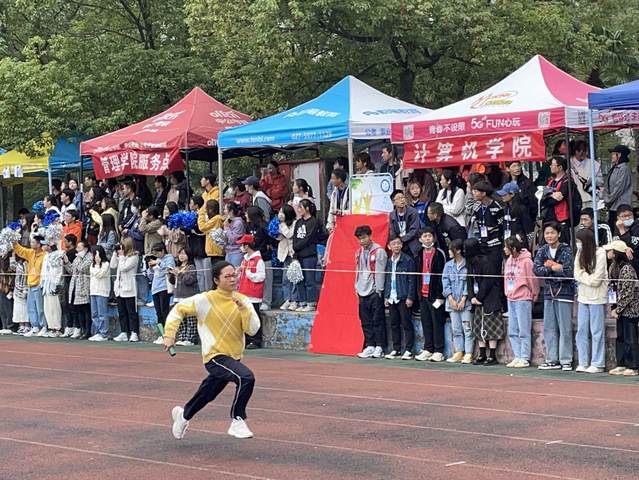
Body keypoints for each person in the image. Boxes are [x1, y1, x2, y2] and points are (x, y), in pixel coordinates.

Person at [164, 261, 260, 440]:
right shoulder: (205, 300)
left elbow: (252, 330)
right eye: (227, 276)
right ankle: (237, 419)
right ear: (216, 280)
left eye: (234, 275)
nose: (233, 279)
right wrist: (170, 334)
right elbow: (178, 310)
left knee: (207, 393)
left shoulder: (243, 300)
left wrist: (243, 309)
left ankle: (183, 416)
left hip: (233, 357)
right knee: (246, 377)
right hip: (214, 356)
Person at [533, 221, 575, 371]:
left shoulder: (566, 250)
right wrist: (553, 267)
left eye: (552, 232)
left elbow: (568, 272)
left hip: (565, 292)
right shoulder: (542, 250)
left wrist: (548, 269)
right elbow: (536, 270)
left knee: (565, 327)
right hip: (548, 293)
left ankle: (566, 360)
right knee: (549, 327)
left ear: (558, 234)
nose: (549, 236)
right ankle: (552, 359)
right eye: (547, 233)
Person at [573, 228, 608, 373]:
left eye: (579, 241)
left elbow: (596, 280)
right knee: (581, 330)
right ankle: (583, 361)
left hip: (597, 298)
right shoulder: (579, 253)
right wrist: (586, 278)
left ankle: (598, 363)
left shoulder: (601, 254)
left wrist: (584, 278)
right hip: (583, 297)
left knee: (597, 331)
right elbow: (576, 273)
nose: (578, 244)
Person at [465, 237, 505, 366]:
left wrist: (479, 297)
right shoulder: (470, 263)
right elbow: (469, 281)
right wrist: (472, 297)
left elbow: (488, 282)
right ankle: (482, 354)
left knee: (491, 327)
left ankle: (492, 355)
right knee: (478, 327)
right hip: (476, 300)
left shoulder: (487, 261)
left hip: (489, 299)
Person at [604, 240, 639, 376]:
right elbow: (611, 288)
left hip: (630, 310)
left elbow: (628, 292)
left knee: (631, 338)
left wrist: (618, 309)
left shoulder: (627, 269)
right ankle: (621, 363)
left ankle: (633, 365)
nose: (608, 252)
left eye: (610, 250)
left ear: (616, 253)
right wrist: (613, 306)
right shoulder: (612, 268)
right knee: (620, 337)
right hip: (619, 310)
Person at [503, 235, 538, 368]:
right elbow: (506, 278)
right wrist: (507, 293)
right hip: (511, 298)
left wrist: (533, 295)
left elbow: (532, 280)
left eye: (506, 247)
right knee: (513, 329)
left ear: (513, 248)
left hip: (523, 298)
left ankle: (524, 357)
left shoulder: (527, 261)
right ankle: (517, 355)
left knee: (524, 329)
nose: (504, 249)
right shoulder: (509, 260)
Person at [353, 225, 387, 358]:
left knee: (377, 319)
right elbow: (358, 270)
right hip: (362, 289)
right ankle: (370, 344)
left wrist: (379, 289)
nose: (362, 241)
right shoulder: (359, 252)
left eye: (364, 238)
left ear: (370, 236)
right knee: (365, 320)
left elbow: (380, 272)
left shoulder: (379, 252)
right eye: (359, 239)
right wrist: (356, 286)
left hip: (374, 290)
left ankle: (380, 346)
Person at [414, 227, 447, 362]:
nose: (427, 239)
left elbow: (442, 276)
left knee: (437, 322)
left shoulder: (439, 254)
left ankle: (439, 350)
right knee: (426, 323)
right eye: (424, 236)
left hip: (435, 295)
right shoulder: (418, 255)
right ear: (420, 239)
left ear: (433, 237)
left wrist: (440, 295)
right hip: (423, 294)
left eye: (429, 236)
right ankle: (428, 349)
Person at [383, 235, 416, 360]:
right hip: (392, 297)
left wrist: (410, 297)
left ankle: (408, 349)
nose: (396, 246)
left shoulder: (408, 260)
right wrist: (386, 296)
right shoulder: (389, 262)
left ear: (402, 245)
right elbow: (387, 279)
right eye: (394, 244)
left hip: (403, 296)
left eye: (398, 243)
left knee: (406, 323)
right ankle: (396, 349)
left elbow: (412, 280)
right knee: (394, 324)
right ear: (389, 246)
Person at [442, 239, 474, 364]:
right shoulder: (448, 265)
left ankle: (469, 353)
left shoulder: (468, 265)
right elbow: (445, 282)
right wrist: (450, 299)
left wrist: (463, 299)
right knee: (456, 329)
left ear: (458, 250)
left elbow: (469, 284)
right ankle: (459, 351)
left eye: (451, 249)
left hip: (465, 303)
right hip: (452, 302)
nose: (449, 252)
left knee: (467, 329)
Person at [13, 235, 47, 337]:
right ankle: (35, 326)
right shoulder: (31, 253)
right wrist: (13, 241)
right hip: (30, 284)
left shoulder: (44, 255)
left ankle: (43, 326)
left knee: (40, 308)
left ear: (39, 244)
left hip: (39, 284)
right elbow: (20, 250)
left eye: (33, 242)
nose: (31, 244)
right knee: (31, 308)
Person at [236, 234, 265, 349]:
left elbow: (261, 277)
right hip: (243, 291)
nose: (241, 247)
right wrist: (239, 273)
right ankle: (247, 339)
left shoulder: (258, 260)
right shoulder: (245, 259)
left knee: (254, 316)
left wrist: (249, 274)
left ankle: (256, 340)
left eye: (242, 245)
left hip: (253, 293)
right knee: (245, 316)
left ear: (247, 246)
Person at [541, 156, 577, 244]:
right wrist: (551, 194)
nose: (550, 166)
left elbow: (558, 199)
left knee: (562, 242)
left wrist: (547, 196)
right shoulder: (550, 180)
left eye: (552, 165)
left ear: (560, 167)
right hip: (548, 216)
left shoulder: (567, 181)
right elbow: (542, 194)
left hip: (561, 216)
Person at [245, 206, 275, 311]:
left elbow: (271, 239)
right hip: (253, 257)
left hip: (264, 257)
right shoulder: (248, 227)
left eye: (247, 213)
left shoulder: (263, 227)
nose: (245, 215)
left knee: (267, 280)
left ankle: (267, 301)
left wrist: (267, 246)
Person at [168, 247, 200, 346]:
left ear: (189, 256)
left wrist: (179, 274)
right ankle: (182, 337)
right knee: (181, 319)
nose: (181, 256)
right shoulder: (178, 267)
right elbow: (172, 282)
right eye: (180, 254)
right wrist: (171, 273)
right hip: (178, 296)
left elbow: (189, 281)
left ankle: (190, 339)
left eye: (184, 254)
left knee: (190, 319)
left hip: (188, 296)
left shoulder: (191, 267)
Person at [292, 199, 320, 312]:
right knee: (299, 280)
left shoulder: (314, 221)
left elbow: (309, 237)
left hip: (309, 255)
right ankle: (302, 302)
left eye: (300, 207)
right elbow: (295, 237)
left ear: (307, 208)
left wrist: (296, 246)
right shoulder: (298, 222)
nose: (298, 210)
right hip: (299, 254)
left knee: (309, 280)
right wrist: (295, 250)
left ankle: (311, 302)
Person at [111, 237, 140, 342]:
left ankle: (134, 332)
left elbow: (124, 268)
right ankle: (124, 332)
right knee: (122, 312)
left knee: (131, 312)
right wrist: (115, 253)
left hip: (129, 288)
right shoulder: (121, 256)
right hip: (119, 288)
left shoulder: (134, 257)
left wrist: (122, 256)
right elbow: (113, 265)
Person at [146, 242, 175, 344]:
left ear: (162, 251)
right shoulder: (157, 260)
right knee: (158, 313)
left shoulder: (169, 257)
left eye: (157, 253)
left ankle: (168, 334)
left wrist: (158, 263)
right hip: (155, 288)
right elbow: (150, 276)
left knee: (164, 311)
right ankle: (162, 334)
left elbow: (170, 269)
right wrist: (150, 268)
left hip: (164, 287)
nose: (156, 256)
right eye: (155, 254)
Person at [64, 240, 93, 339]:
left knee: (86, 309)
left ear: (85, 249)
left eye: (79, 248)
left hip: (85, 285)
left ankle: (87, 331)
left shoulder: (90, 257)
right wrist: (67, 263)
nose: (77, 250)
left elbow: (82, 268)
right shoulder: (77, 258)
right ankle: (82, 329)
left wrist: (77, 261)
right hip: (75, 286)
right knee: (79, 309)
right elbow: (72, 270)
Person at [603, 145, 633, 230]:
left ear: (619, 155)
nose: (611, 156)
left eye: (613, 154)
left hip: (621, 207)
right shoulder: (614, 168)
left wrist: (607, 200)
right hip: (613, 206)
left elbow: (618, 189)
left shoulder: (624, 169)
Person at [185, 196, 211, 292]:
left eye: (191, 203)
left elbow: (202, 230)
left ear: (196, 205)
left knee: (206, 273)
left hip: (203, 247)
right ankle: (202, 291)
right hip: (194, 246)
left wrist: (194, 225)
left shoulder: (203, 215)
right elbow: (188, 233)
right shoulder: (189, 214)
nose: (190, 205)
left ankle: (208, 291)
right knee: (199, 273)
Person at [40, 238, 64, 337]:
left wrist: (56, 283)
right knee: (47, 307)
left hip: (53, 283)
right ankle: (50, 327)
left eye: (44, 245)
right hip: (46, 283)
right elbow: (43, 270)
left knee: (54, 306)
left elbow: (59, 270)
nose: (42, 246)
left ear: (49, 246)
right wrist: (42, 282)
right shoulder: (46, 256)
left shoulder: (56, 255)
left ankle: (57, 328)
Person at [196, 198, 225, 279]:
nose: (205, 211)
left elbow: (202, 227)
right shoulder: (214, 219)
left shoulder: (216, 219)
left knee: (217, 275)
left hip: (216, 251)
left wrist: (201, 214)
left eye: (206, 209)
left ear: (211, 209)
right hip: (213, 252)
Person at [276, 205, 298, 311]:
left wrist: (282, 224)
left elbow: (289, 234)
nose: (280, 214)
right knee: (285, 278)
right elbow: (279, 237)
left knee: (294, 278)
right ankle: (287, 299)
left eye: (282, 212)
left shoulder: (295, 223)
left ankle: (294, 300)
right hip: (285, 254)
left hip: (293, 253)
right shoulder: (281, 224)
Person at [570, 140, 602, 210]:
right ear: (576, 151)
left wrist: (592, 181)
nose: (586, 153)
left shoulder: (594, 164)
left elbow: (601, 181)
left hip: (592, 199)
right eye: (584, 151)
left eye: (586, 151)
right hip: (577, 200)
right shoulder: (568, 164)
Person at [388, 189, 421, 257]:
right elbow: (392, 231)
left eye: (402, 197)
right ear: (393, 202)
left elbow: (414, 230)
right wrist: (396, 242)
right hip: (399, 245)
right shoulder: (392, 215)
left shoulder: (413, 212)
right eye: (398, 198)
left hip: (411, 244)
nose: (402, 200)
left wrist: (401, 239)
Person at [89, 245, 110, 341]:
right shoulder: (92, 265)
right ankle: (97, 331)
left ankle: (103, 333)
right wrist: (96, 265)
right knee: (94, 313)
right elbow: (93, 273)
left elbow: (98, 274)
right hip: (93, 291)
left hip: (102, 291)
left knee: (102, 314)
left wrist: (98, 264)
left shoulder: (106, 264)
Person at [613, 204, 639, 275]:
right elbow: (615, 243)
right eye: (624, 216)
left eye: (630, 215)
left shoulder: (637, 225)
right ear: (618, 217)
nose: (627, 218)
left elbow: (632, 246)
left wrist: (622, 230)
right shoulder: (617, 226)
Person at [60, 234, 78, 337]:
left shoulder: (72, 253)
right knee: (66, 305)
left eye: (66, 241)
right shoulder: (66, 252)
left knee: (71, 305)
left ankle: (75, 326)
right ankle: (69, 326)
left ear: (71, 242)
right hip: (67, 280)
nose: (64, 243)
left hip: (72, 281)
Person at [326, 169, 349, 233]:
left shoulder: (349, 191)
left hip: (347, 223)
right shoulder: (334, 192)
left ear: (339, 180)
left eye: (333, 178)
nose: (331, 181)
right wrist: (330, 225)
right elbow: (331, 209)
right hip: (337, 224)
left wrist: (342, 212)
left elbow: (352, 210)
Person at [10, 256, 29, 335]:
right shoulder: (18, 264)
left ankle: (27, 326)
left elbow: (26, 277)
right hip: (17, 288)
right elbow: (12, 267)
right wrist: (13, 255)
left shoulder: (26, 264)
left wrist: (25, 289)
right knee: (18, 308)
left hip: (23, 288)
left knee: (24, 308)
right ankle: (21, 326)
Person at [223, 201, 245, 268]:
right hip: (228, 251)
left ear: (231, 211)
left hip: (236, 252)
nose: (224, 211)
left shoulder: (238, 223)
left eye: (225, 209)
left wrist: (227, 228)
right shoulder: (228, 221)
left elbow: (232, 239)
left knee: (235, 272)